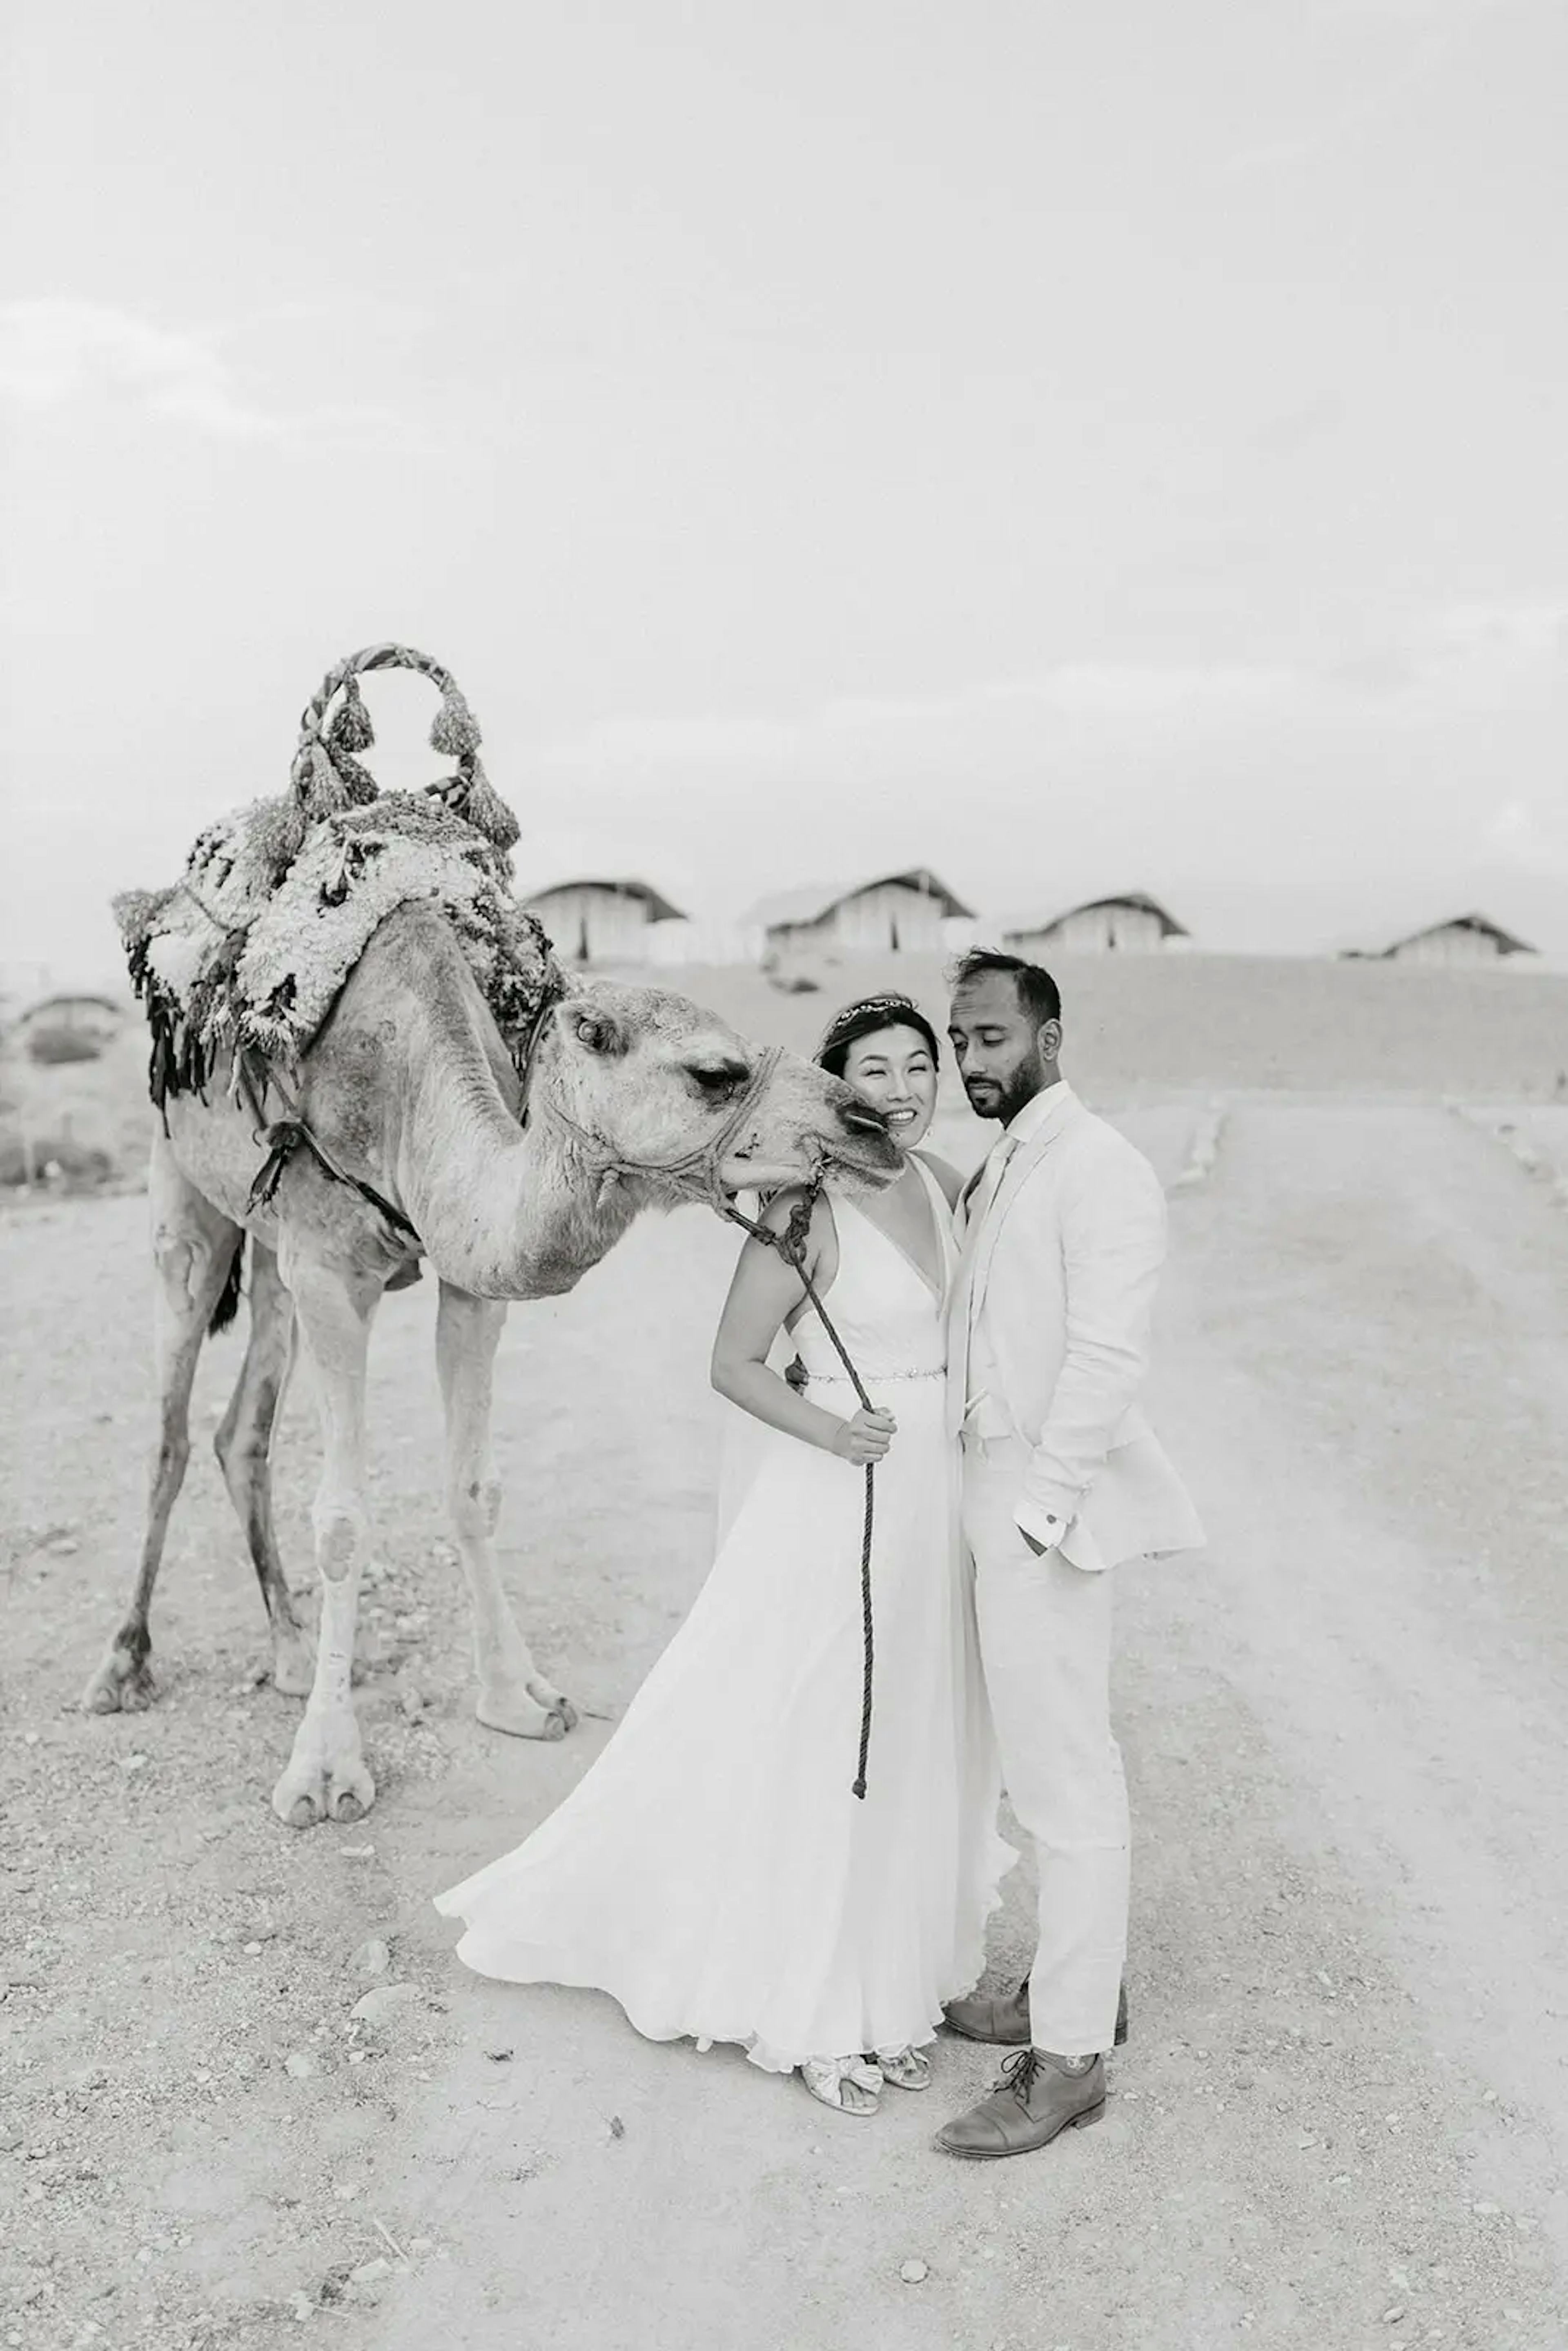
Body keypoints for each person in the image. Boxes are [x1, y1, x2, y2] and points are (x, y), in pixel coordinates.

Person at [434, 992, 1011, 2117]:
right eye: (874, 1074)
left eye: (917, 1069)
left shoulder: (943, 1190)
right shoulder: (801, 1210)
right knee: (821, 1727)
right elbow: (735, 1363)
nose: (899, 1092)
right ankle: (812, 2009)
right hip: (841, 1486)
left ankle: (892, 1979)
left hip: (933, 1495)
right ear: (832, 1089)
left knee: (904, 1731)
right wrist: (834, 1428)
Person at [933, 948, 1204, 2160]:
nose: (971, 1061)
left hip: (1042, 1509)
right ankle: (1067, 1988)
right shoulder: (1005, 1160)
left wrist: (1040, 1515)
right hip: (985, 1494)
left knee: (1067, 1782)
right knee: (1031, 1770)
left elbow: (1107, 1359)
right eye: (961, 1040)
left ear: (1049, 1038)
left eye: (991, 1038)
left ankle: (1074, 2057)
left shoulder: (1102, 1167)